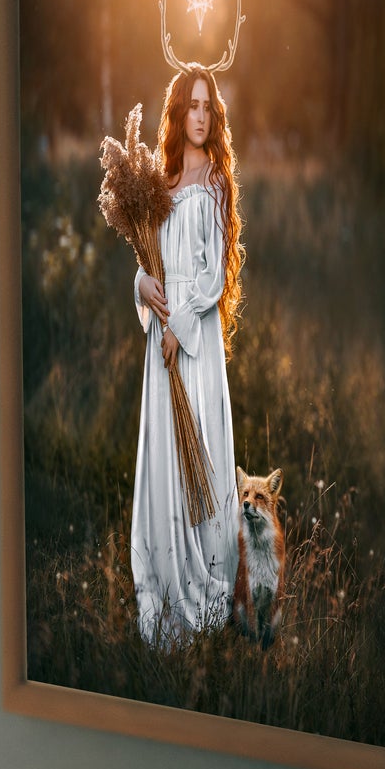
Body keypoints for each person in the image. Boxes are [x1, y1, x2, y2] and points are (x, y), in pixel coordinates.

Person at [130, 68, 245, 644]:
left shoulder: (217, 183)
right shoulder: (159, 181)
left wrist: (178, 323)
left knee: (198, 444)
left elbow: (212, 276)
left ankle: (206, 578)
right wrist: (140, 286)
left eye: (208, 107)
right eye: (190, 106)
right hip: (162, 344)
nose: (199, 116)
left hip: (193, 342)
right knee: (166, 460)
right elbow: (151, 260)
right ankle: (164, 580)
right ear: (177, 114)